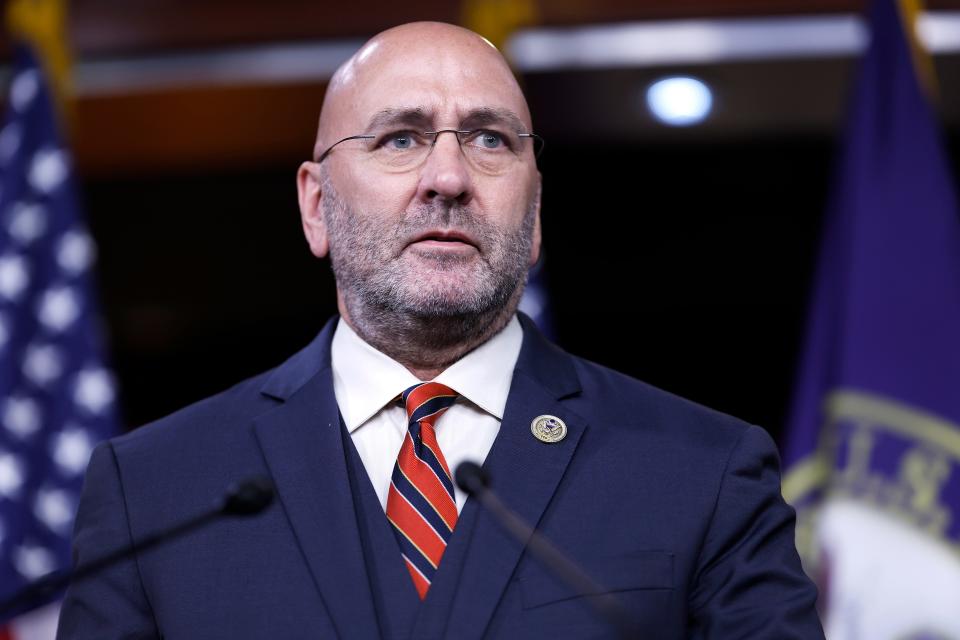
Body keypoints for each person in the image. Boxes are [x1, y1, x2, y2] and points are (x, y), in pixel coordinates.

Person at [58, 21, 824, 639]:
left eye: (490, 139)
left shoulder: (702, 473)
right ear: (317, 205)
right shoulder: (157, 491)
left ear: (535, 216)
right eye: (401, 138)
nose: (449, 178)